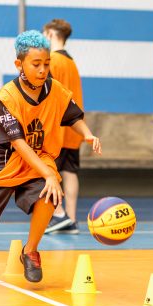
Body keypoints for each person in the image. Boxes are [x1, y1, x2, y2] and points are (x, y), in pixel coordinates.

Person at [0, 30, 102, 287]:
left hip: (37, 156)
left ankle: (30, 251)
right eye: (36, 64)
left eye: (46, 64)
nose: (42, 69)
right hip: (2, 159)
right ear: (19, 64)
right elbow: (18, 143)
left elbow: (73, 116)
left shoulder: (54, 89)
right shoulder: (8, 97)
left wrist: (88, 134)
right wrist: (47, 172)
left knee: (50, 192)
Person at [42, 19, 85, 235]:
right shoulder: (71, 62)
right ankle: (72, 218)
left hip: (56, 128)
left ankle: (58, 214)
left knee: (50, 172)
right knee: (70, 172)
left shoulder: (51, 62)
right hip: (73, 127)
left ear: (49, 33)